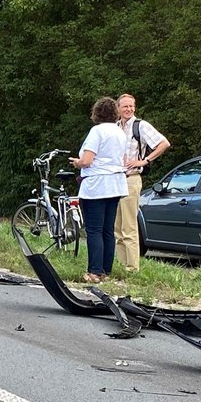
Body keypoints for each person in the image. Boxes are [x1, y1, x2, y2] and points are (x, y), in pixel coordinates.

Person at [71, 96, 129, 283]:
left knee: (94, 229)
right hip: (116, 183)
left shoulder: (97, 131)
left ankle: (94, 271)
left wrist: (77, 163)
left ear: (97, 113)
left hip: (97, 184)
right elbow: (123, 159)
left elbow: (88, 160)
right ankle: (105, 270)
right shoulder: (120, 132)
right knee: (107, 229)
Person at [115, 93, 170, 273]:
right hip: (115, 180)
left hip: (131, 179)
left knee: (129, 225)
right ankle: (121, 265)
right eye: (125, 107)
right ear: (118, 109)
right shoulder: (115, 127)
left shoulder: (141, 126)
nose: (129, 109)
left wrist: (145, 161)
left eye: (131, 106)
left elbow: (164, 143)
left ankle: (132, 268)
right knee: (117, 227)